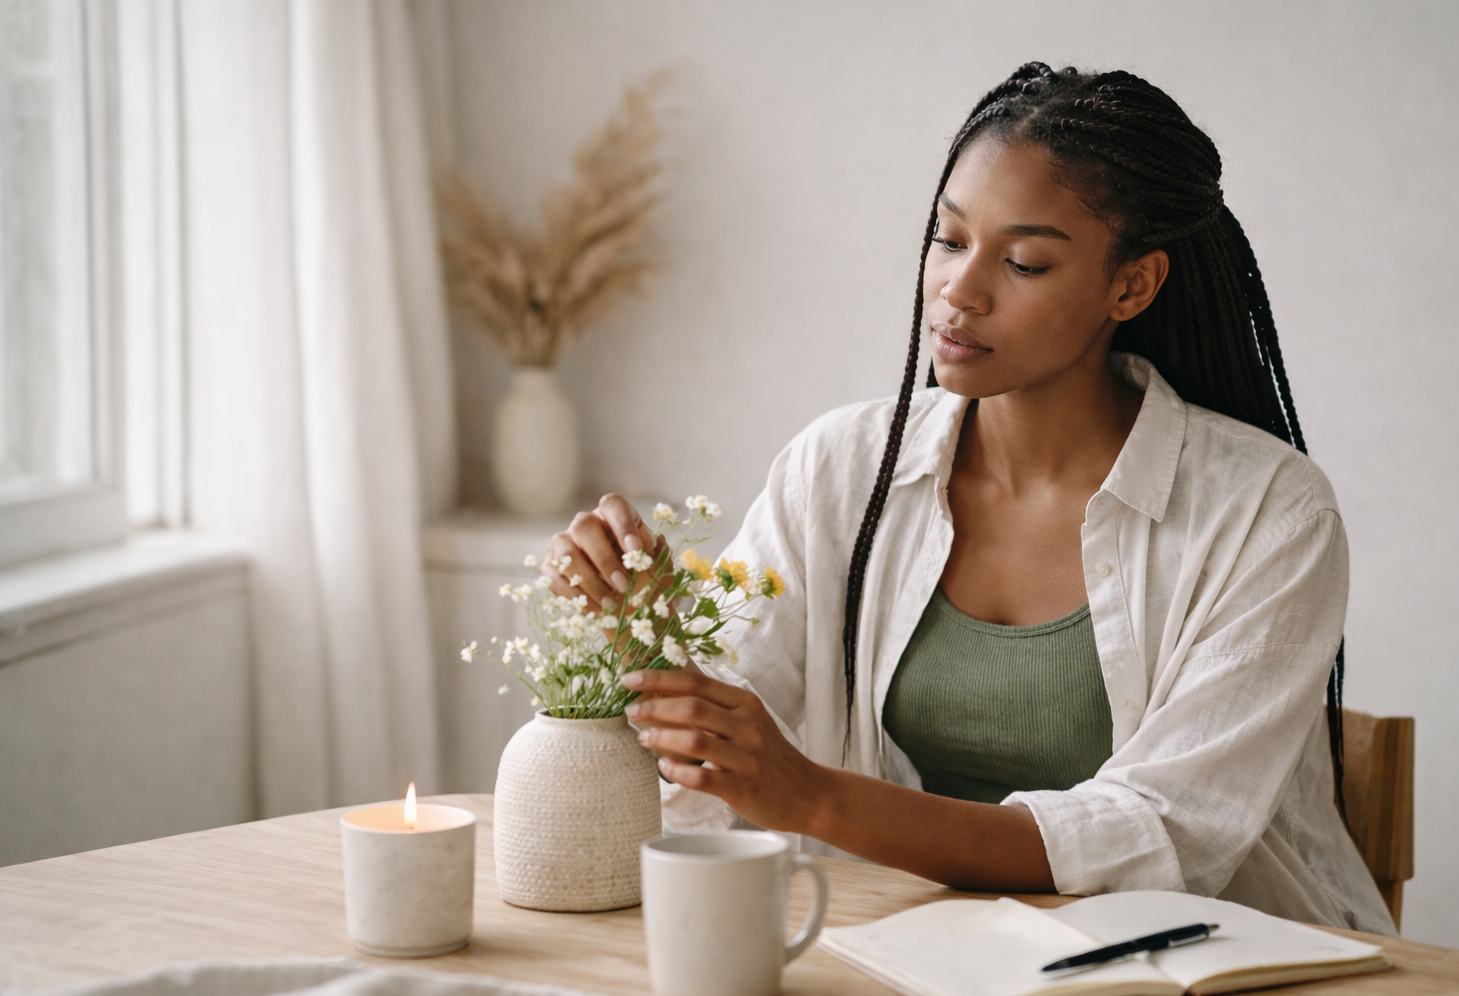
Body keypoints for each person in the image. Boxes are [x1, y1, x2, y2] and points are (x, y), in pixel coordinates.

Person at [543, 63, 1396, 935]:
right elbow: (709, 763)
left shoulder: (1269, 515)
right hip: (917, 961)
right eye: (949, 241)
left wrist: (814, 799)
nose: (961, 291)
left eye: (1023, 262)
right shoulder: (841, 470)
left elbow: (1158, 836)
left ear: (1130, 286)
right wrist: (651, 637)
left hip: (1211, 970)